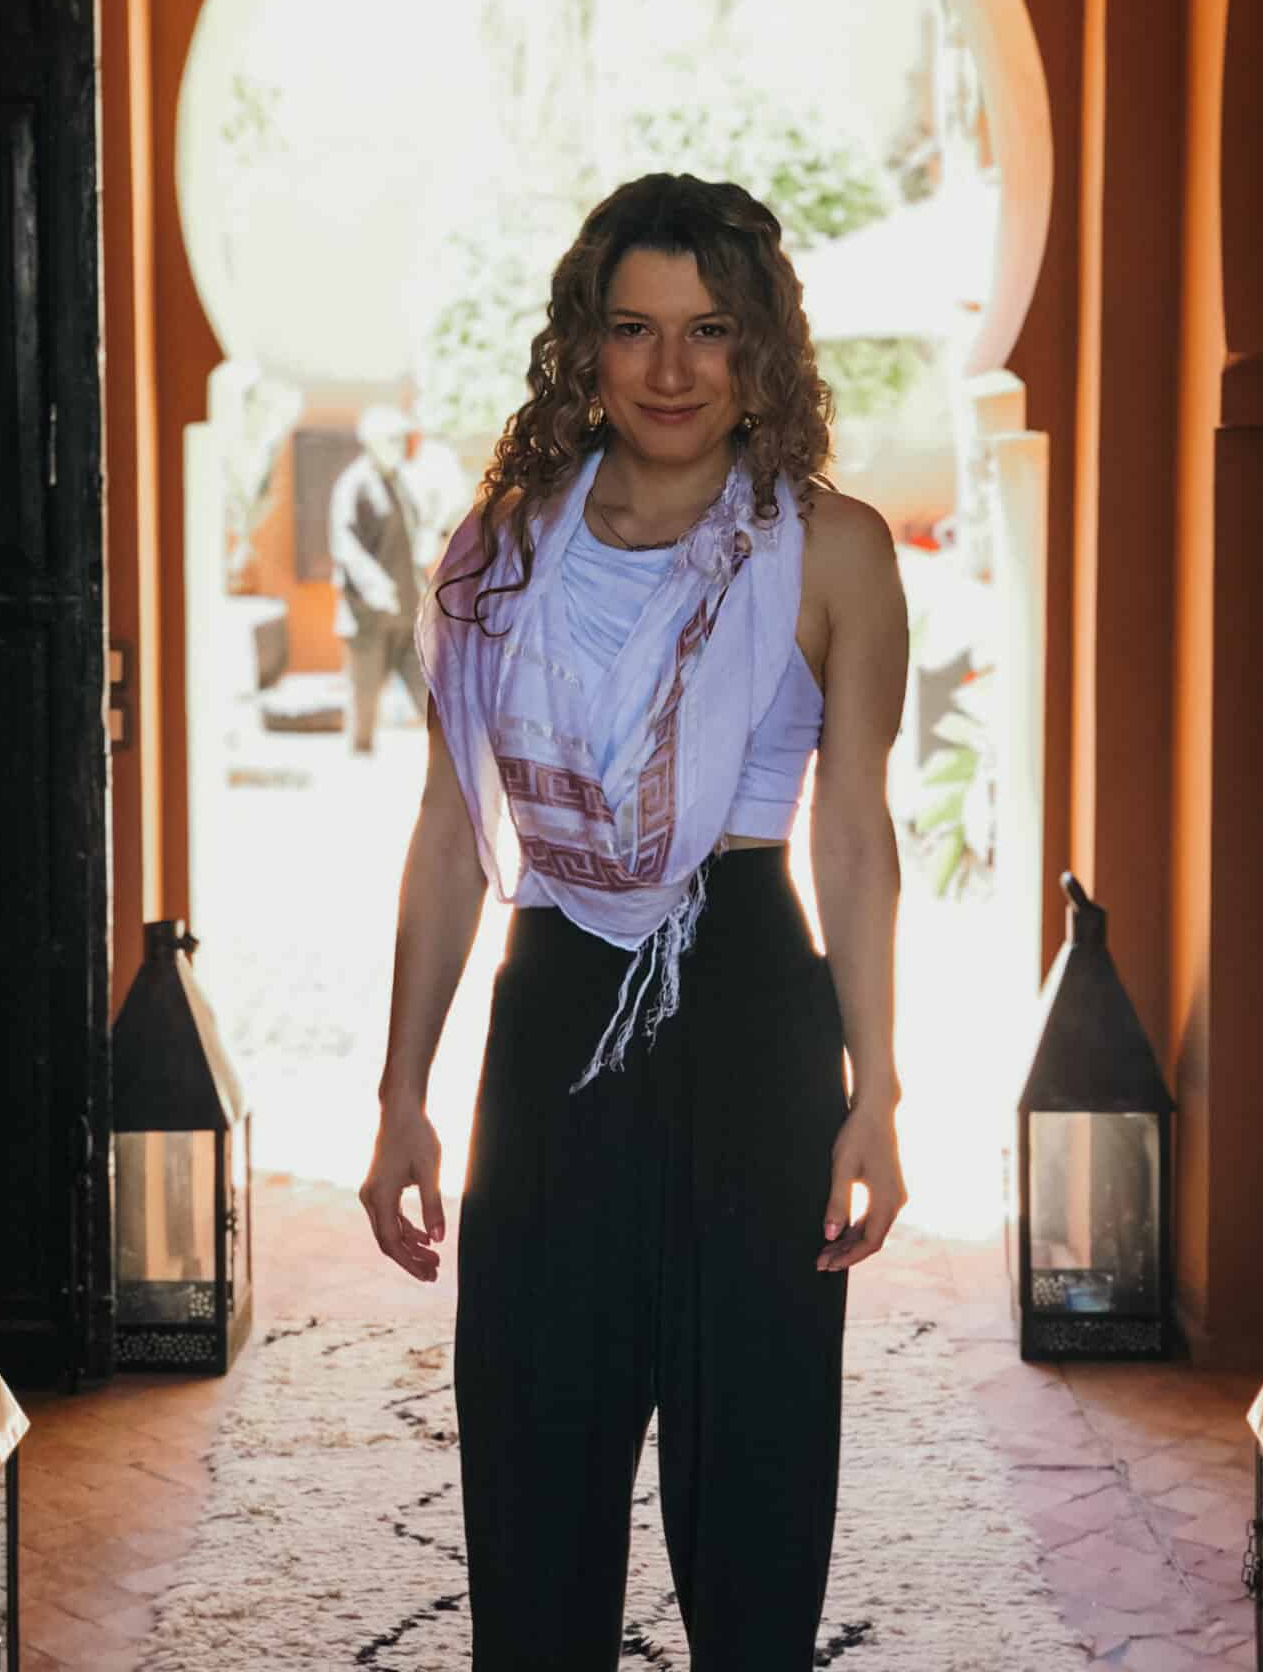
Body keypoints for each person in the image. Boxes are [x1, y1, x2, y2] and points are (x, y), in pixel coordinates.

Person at [360, 172, 909, 1669]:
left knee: (755, 1487)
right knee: (535, 1472)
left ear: (761, 350)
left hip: (750, 1020)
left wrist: (877, 1093)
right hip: (550, 1030)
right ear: (584, 347)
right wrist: (403, 1094)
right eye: (634, 330)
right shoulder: (497, 553)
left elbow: (855, 833)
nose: (671, 372)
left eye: (710, 331)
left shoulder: (831, 548)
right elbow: (452, 833)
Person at [328, 404, 428, 753]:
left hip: (407, 613)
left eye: (402, 439)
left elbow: (417, 535)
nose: (399, 446)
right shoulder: (353, 485)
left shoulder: (401, 482)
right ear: (371, 442)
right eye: (392, 439)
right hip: (368, 619)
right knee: (364, 708)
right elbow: (345, 544)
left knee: (431, 697)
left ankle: (456, 779)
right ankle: (357, 774)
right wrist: (375, 585)